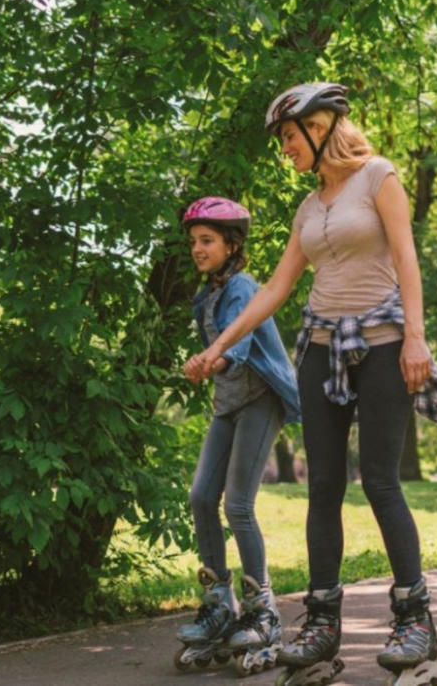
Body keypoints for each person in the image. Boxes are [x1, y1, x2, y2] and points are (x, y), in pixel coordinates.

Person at [185, 83, 437, 686]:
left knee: (382, 483)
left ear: (320, 126)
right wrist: (218, 346)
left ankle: (414, 619)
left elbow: (407, 256)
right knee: (323, 487)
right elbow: (276, 287)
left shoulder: (379, 177)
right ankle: (321, 624)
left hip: (384, 342)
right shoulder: (310, 207)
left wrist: (416, 337)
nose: (285, 148)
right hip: (321, 346)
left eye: (290, 136)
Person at [173, 197, 302, 674]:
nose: (197, 249)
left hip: (260, 398)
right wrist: (207, 365)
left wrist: (208, 362)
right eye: (193, 242)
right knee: (201, 496)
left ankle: (263, 610)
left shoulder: (244, 287)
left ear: (232, 244)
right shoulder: (206, 294)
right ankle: (219, 605)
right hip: (229, 402)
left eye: (207, 241)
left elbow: (239, 349)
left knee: (238, 504)